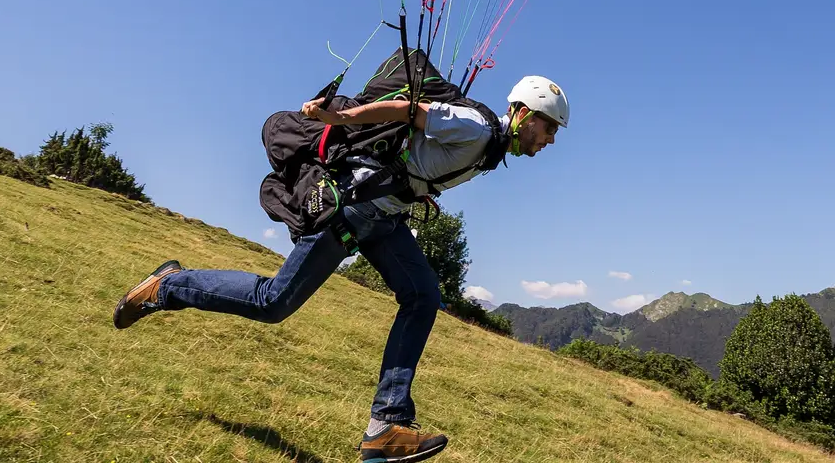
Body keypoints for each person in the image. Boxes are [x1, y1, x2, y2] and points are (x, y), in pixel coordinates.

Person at [111, 73, 569, 463]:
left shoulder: (487, 145)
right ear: (526, 115)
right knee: (272, 303)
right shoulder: (476, 128)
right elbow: (410, 110)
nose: (550, 141)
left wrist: (417, 186)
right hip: (353, 208)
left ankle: (386, 426)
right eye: (549, 129)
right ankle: (166, 286)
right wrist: (342, 118)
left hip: (384, 216)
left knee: (423, 297)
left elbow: (419, 150)